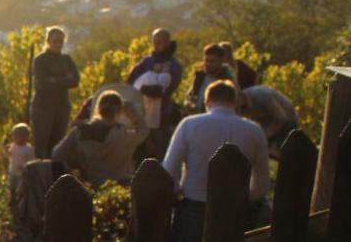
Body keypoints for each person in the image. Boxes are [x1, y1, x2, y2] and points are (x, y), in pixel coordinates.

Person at [162, 81, 270, 242]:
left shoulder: (189, 125)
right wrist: (249, 198)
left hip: (194, 209)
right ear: (235, 102)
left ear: (207, 102)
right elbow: (261, 183)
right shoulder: (254, 130)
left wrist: (177, 193)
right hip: (235, 211)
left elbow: (169, 170)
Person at [52, 90, 149, 185]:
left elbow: (57, 154)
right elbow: (143, 131)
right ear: (120, 111)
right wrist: (134, 115)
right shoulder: (122, 134)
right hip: (120, 186)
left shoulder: (79, 131)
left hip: (92, 185)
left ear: (97, 109)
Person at [127, 28, 184, 159]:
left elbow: (167, 88)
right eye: (155, 42)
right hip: (141, 113)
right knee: (139, 152)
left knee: (161, 151)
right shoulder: (146, 62)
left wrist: (151, 88)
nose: (157, 45)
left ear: (168, 42)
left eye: (161, 42)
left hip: (162, 115)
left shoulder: (174, 65)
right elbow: (132, 81)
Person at [30, 26, 80, 158]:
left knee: (58, 145)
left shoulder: (66, 59)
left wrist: (54, 79)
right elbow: (43, 84)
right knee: (42, 145)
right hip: (43, 108)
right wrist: (64, 79)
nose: (58, 44)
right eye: (55, 40)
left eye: (61, 41)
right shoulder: (40, 60)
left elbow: (75, 81)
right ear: (48, 40)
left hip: (62, 107)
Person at [240, 84, 299, 158]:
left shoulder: (263, 96)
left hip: (287, 121)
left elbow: (281, 118)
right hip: (268, 120)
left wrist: (266, 134)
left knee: (281, 154)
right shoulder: (239, 102)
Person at [188, 43, 237, 112]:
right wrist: (190, 104)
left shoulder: (227, 79)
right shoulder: (200, 76)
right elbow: (190, 96)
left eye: (212, 61)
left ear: (221, 61)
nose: (208, 64)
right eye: (206, 60)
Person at [7, 122, 35, 197]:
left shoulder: (28, 149)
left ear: (25, 137)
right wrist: (6, 152)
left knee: (20, 188)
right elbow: (9, 155)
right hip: (13, 171)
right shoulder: (13, 146)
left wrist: (24, 167)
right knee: (12, 185)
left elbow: (31, 161)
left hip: (22, 173)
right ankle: (12, 199)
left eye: (16, 136)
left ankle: (20, 200)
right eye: (13, 136)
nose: (13, 138)